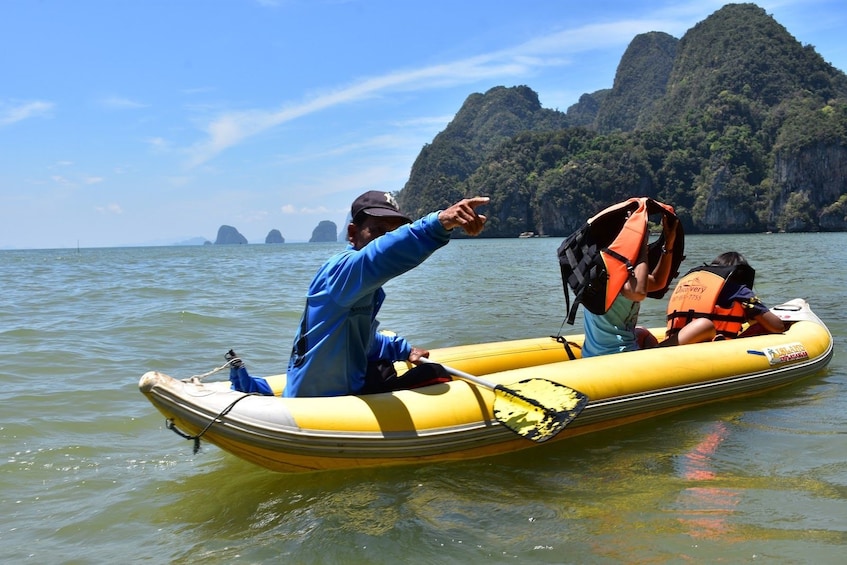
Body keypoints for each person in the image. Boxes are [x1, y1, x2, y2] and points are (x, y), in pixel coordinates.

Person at [279, 190, 489, 397]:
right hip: (319, 404)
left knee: (382, 366)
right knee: (434, 374)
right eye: (378, 230)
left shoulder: (360, 284)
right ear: (353, 233)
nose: (386, 239)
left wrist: (403, 350)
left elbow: (360, 339)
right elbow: (380, 254)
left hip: (344, 390)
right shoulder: (342, 271)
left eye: (394, 232)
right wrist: (438, 222)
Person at [581, 214, 681, 357]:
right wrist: (642, 249)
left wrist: (668, 246)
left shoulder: (600, 271)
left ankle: (653, 358)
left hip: (590, 355)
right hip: (618, 355)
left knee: (642, 333)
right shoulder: (613, 274)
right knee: (703, 327)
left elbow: (658, 282)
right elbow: (638, 292)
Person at [664, 251, 784, 344]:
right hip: (701, 346)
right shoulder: (739, 290)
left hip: (677, 340)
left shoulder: (695, 286)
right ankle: (663, 348)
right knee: (706, 325)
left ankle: (660, 347)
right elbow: (777, 327)